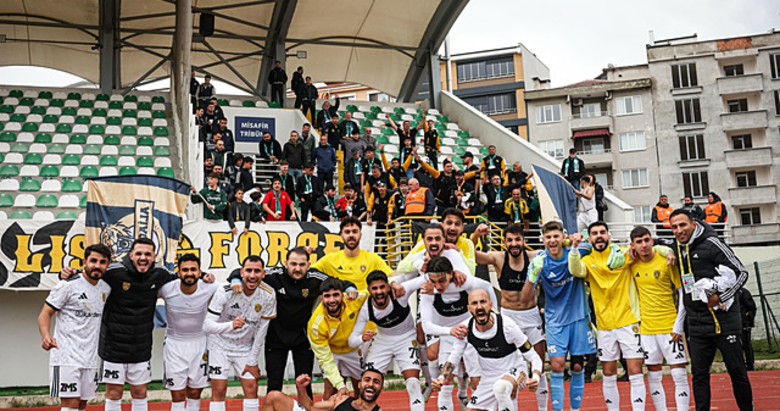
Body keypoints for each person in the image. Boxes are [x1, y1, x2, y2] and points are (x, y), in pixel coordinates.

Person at [59, 239, 188, 411]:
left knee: (140, 393)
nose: (143, 257)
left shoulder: (160, 273)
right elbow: (88, 275)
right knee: (113, 394)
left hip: (141, 347)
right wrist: (66, 273)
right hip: (113, 348)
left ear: (154, 256)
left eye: (147, 254)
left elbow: (184, 276)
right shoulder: (114, 271)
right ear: (131, 255)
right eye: (139, 253)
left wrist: (206, 277)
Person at [228, 247, 356, 398]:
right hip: (276, 338)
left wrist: (350, 288)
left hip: (302, 338)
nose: (297, 268)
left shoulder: (314, 278)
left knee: (304, 385)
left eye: (302, 265)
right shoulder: (275, 276)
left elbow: (340, 283)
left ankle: (305, 408)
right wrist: (235, 280)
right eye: (293, 264)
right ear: (286, 263)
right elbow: (242, 272)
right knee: (274, 385)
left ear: (308, 265)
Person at [662, 209, 752, 411]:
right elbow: (655, 244)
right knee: (699, 375)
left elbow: (742, 273)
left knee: (737, 371)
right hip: (697, 324)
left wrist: (720, 297)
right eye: (674, 227)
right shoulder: (677, 247)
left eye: (682, 225)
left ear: (693, 224)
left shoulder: (712, 243)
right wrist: (668, 252)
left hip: (724, 323)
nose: (678, 230)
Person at [569, 222, 646, 411]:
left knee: (635, 371)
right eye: (595, 233)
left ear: (608, 236)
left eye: (602, 232)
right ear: (590, 239)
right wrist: (574, 248)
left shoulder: (624, 254)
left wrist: (666, 251)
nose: (599, 236)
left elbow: (650, 247)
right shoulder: (588, 261)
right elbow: (575, 270)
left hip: (628, 322)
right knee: (608, 373)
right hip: (604, 326)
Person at [473, 224, 549, 411]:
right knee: (510, 368)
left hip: (531, 316)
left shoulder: (534, 257)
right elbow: (471, 254)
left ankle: (543, 408)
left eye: (517, 239)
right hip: (509, 318)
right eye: (510, 240)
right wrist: (475, 235)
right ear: (504, 242)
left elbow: (557, 249)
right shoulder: (498, 258)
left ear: (524, 240)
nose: (514, 244)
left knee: (539, 364)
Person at [523, 221, 596, 411]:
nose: (552, 240)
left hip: (579, 317)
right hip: (555, 320)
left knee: (578, 366)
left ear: (563, 237)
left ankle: (575, 409)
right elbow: (525, 298)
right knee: (557, 365)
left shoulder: (576, 250)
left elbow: (596, 243)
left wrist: (578, 238)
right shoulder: (540, 260)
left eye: (556, 236)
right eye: (548, 237)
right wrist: (533, 276)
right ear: (543, 240)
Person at [433, 289, 543, 411]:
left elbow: (534, 356)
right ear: (469, 308)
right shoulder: (465, 329)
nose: (479, 307)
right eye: (474, 303)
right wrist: (441, 378)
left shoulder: (507, 326)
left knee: (501, 387)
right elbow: (454, 357)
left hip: (515, 370)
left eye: (483, 302)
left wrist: (535, 377)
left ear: (490, 305)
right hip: (488, 378)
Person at [415, 255, 497, 411]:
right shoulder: (427, 291)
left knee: (477, 382)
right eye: (433, 281)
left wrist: (495, 315)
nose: (438, 286)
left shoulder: (467, 284)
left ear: (451, 274)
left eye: (442, 280)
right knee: (445, 381)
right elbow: (426, 326)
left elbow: (487, 286)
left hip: (471, 336)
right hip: (448, 335)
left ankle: (470, 400)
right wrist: (450, 331)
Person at [39, 244, 112, 411]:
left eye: (102, 262)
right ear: (84, 262)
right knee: (70, 404)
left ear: (108, 264)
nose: (97, 266)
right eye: (93, 261)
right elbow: (44, 314)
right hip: (66, 356)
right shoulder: (67, 285)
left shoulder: (106, 288)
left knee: (81, 404)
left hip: (89, 358)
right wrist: (45, 336)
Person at [628, 227, 690, 411]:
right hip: (646, 330)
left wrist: (678, 324)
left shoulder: (667, 261)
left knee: (679, 375)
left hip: (670, 327)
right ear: (633, 245)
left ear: (652, 241)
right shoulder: (631, 264)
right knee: (654, 377)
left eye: (646, 240)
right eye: (639, 242)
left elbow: (682, 293)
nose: (644, 245)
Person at [204, 256, 276, 411]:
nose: (252, 275)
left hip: (244, 348)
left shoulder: (268, 294)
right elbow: (207, 326)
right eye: (248, 270)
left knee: (251, 387)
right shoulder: (225, 291)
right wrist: (231, 325)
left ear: (263, 273)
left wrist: (252, 360)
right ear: (242, 272)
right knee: (218, 390)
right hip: (219, 346)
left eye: (257, 271)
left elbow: (261, 332)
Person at [348, 271, 425, 411]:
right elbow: (351, 340)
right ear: (369, 290)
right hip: (382, 341)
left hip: (406, 338)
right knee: (367, 384)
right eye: (374, 288)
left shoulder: (401, 292)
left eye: (382, 287)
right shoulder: (366, 309)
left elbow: (425, 277)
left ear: (388, 287)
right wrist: (361, 338)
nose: (379, 292)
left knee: (413, 383)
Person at [157, 254, 219, 411]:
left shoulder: (209, 287)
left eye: (193, 269)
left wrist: (236, 280)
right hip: (174, 345)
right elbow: (143, 292)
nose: (189, 273)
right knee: (177, 395)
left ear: (200, 272)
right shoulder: (167, 289)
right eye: (185, 270)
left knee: (194, 393)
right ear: (178, 273)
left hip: (200, 344)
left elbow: (231, 287)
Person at [307, 277, 369, 397]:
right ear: (321, 298)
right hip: (331, 352)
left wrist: (394, 284)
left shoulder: (354, 300)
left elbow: (373, 290)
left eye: (335, 295)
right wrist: (340, 385)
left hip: (353, 350)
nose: (332, 300)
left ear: (342, 295)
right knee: (331, 390)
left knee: (361, 388)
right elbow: (325, 360)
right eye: (327, 296)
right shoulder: (315, 325)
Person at [312, 217, 393, 291]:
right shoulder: (330, 259)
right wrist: (305, 254)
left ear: (360, 235)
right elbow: (309, 272)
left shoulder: (373, 258)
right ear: (341, 236)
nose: (351, 235)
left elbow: (392, 276)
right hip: (340, 302)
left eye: (355, 231)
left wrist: (394, 282)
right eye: (347, 232)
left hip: (364, 302)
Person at [261, 371, 384, 411]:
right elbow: (309, 407)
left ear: (381, 389)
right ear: (359, 384)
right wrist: (301, 388)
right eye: (367, 380)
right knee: (273, 397)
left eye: (376, 382)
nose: (371, 384)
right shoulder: (341, 400)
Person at [738, 288, 757, 371]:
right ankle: (740, 364)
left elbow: (752, 307)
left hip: (744, 322)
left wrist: (749, 318)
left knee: (746, 343)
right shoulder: (730, 292)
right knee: (737, 344)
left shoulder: (743, 292)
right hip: (734, 322)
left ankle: (750, 364)